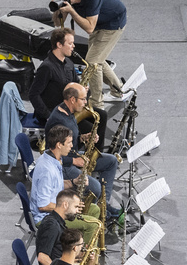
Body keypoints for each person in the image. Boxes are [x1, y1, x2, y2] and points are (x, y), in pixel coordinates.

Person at [50, 0, 128, 112]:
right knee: (98, 58)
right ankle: (119, 91)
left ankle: (97, 105)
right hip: (98, 25)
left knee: (92, 62)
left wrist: (71, 11)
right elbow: (57, 23)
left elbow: (89, 28)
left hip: (113, 24)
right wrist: (57, 7)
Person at [46, 83, 120, 221]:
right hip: (64, 167)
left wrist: (82, 138)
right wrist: (74, 161)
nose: (86, 102)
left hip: (73, 157)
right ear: (72, 99)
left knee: (111, 161)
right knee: (95, 187)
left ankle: (103, 205)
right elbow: (51, 154)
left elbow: (68, 142)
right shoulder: (60, 122)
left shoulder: (69, 113)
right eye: (83, 99)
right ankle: (95, 214)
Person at [27, 27, 108, 145]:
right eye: (70, 43)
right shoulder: (47, 67)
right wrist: (48, 116)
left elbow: (76, 85)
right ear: (59, 45)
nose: (73, 46)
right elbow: (33, 94)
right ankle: (82, 154)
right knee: (89, 128)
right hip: (56, 112)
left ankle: (96, 155)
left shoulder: (69, 63)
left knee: (102, 115)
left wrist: (85, 91)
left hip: (71, 108)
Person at [29, 125, 75, 216]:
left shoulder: (53, 159)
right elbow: (43, 206)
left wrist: (74, 182)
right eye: (69, 142)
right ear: (59, 145)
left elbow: (55, 186)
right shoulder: (47, 170)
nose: (72, 146)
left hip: (55, 209)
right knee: (92, 225)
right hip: (46, 218)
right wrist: (69, 208)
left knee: (94, 209)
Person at [35, 189, 83, 265]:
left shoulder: (57, 222)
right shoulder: (52, 225)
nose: (77, 211)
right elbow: (42, 257)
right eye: (76, 207)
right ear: (65, 205)